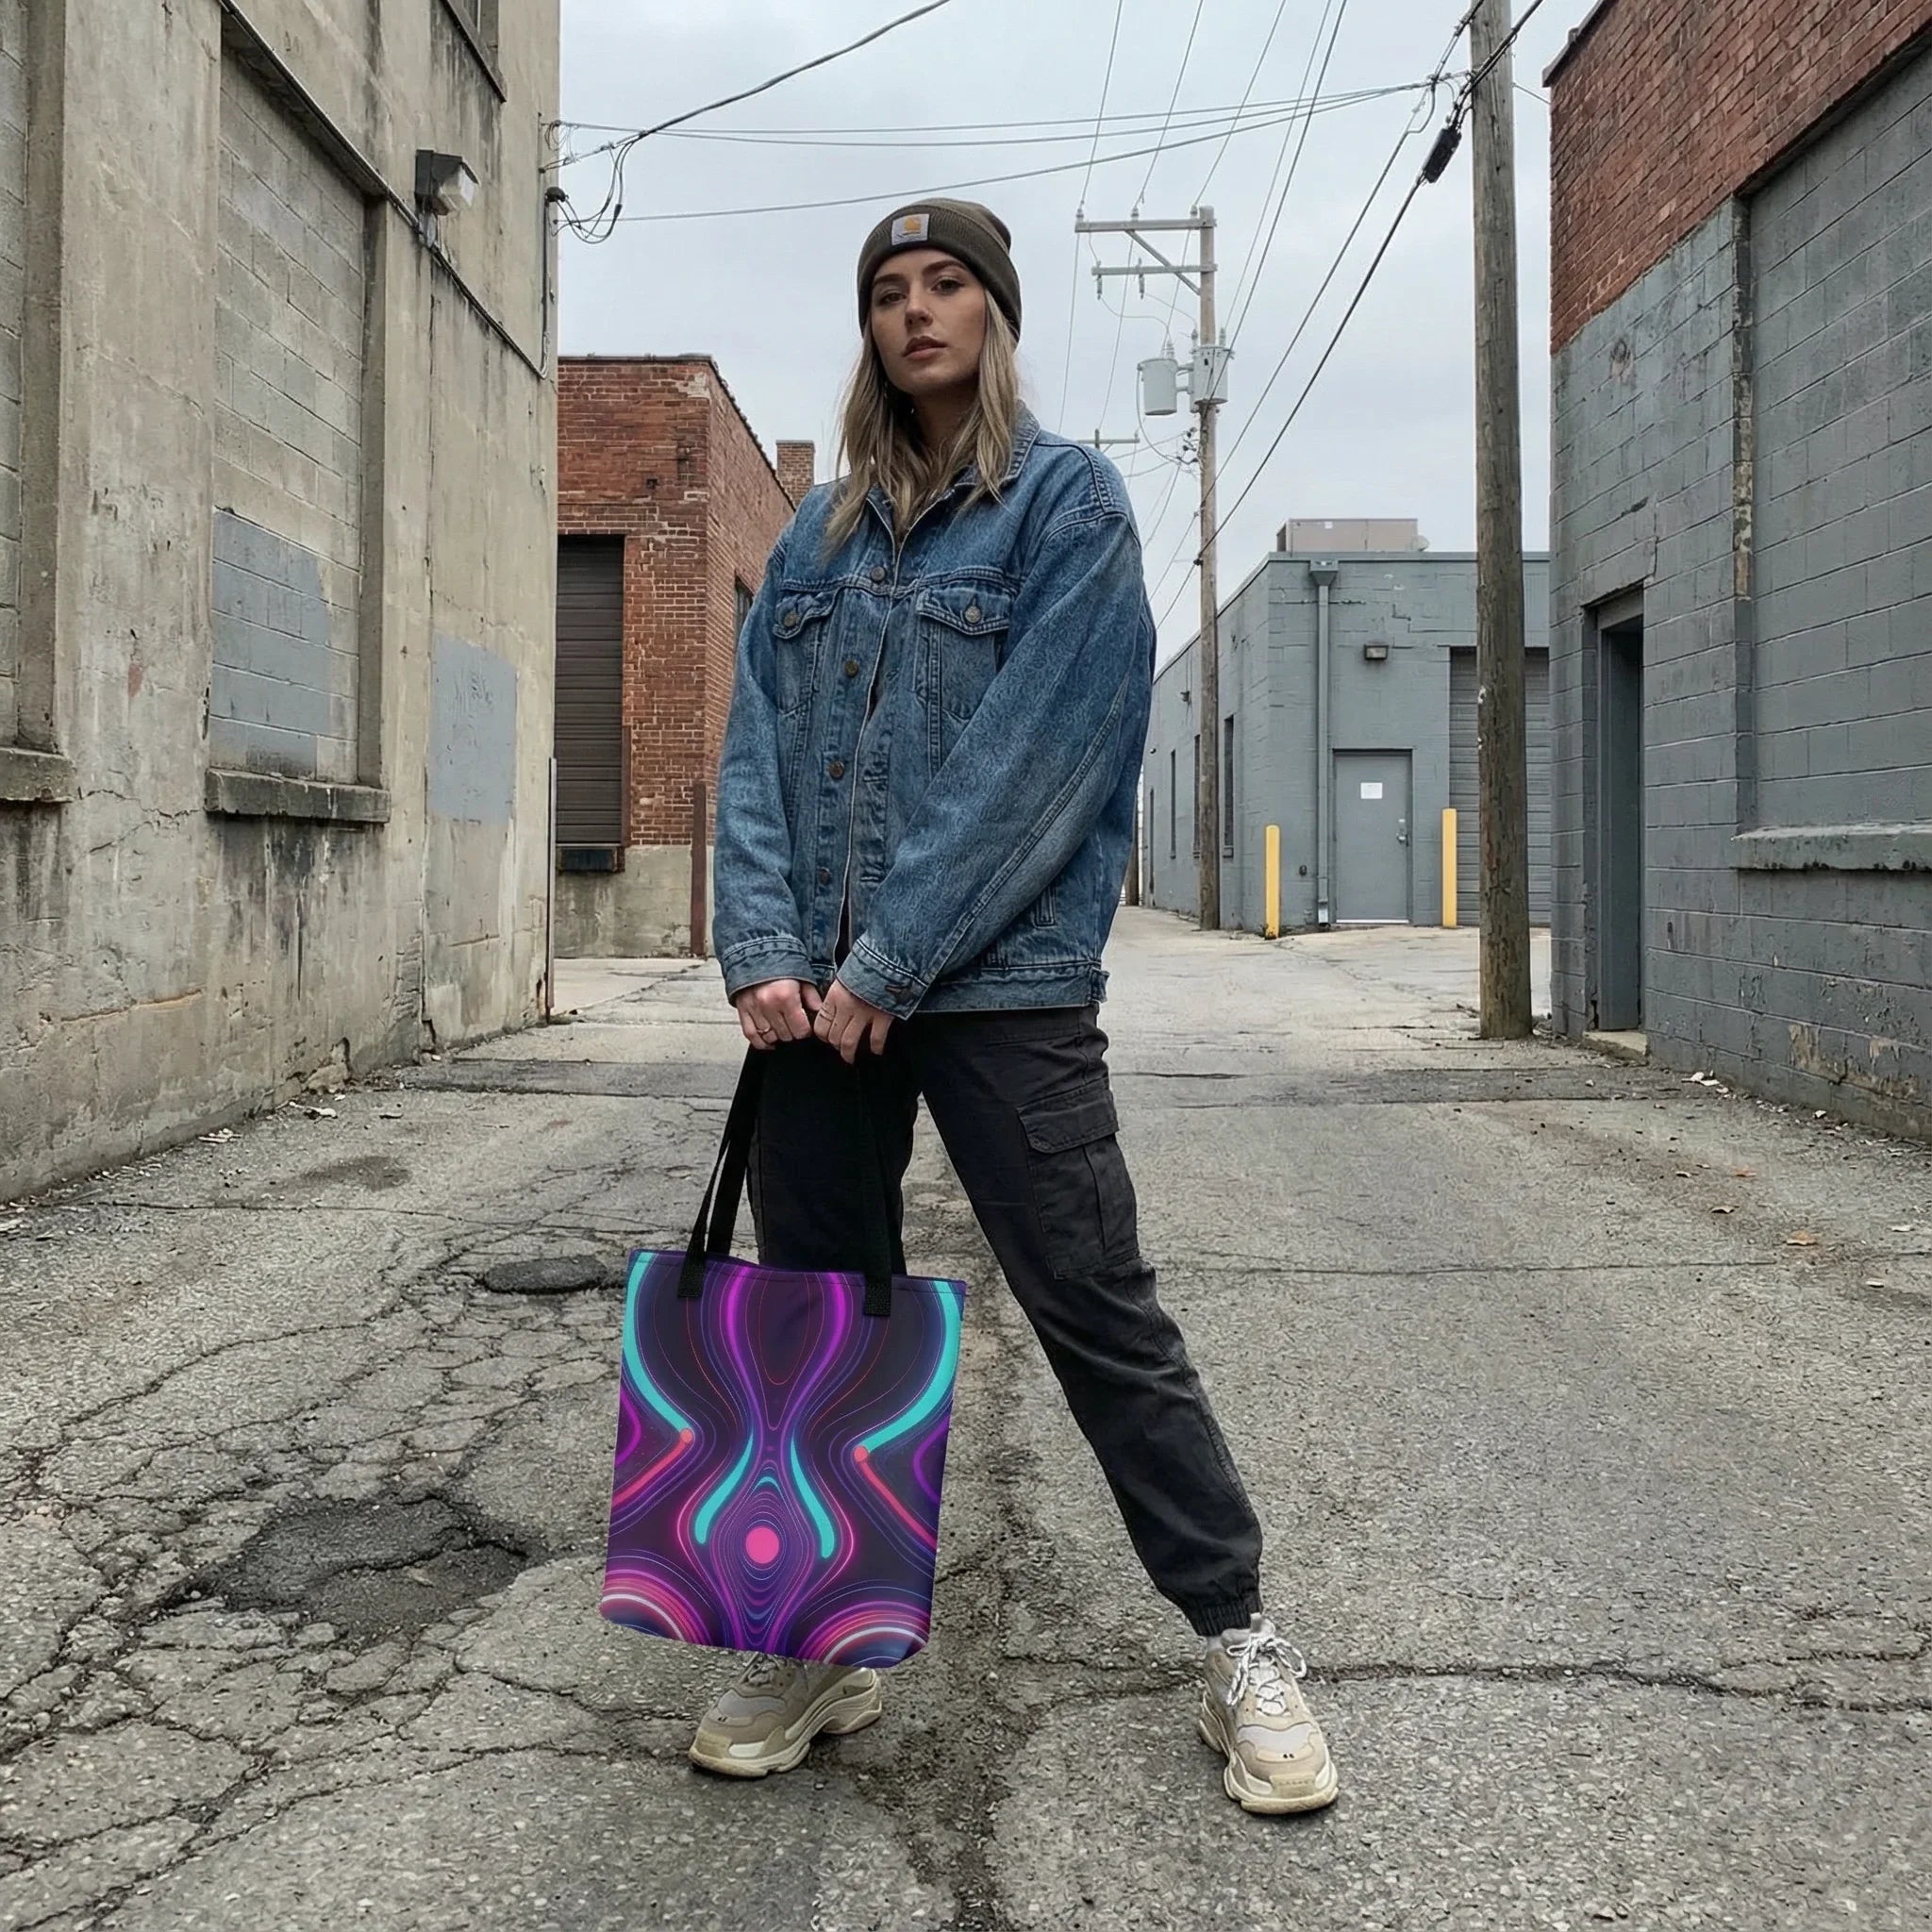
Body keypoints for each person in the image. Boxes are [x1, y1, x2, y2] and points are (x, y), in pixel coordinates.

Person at [689, 199, 1337, 1816]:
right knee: (820, 1315)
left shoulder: (1067, 506)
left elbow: (1044, 762)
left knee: (1095, 1307)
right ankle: (818, 1638)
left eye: (948, 286)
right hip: (813, 999)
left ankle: (1236, 1638)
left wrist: (887, 963)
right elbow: (755, 746)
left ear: (995, 312)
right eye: (891, 292)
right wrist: (762, 945)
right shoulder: (822, 538)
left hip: (1000, 988)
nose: (918, 313)